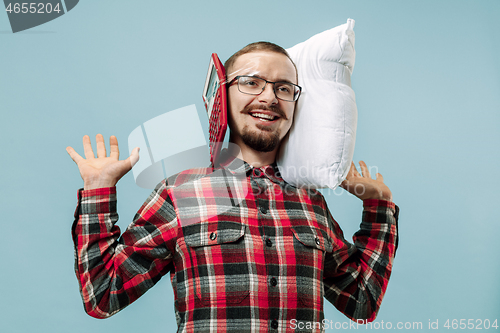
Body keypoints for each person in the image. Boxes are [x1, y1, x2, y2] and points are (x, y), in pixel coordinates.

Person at [67, 42, 398, 333]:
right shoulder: (181, 193)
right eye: (251, 82)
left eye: (284, 88)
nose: (269, 97)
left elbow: (361, 303)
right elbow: (103, 296)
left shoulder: (310, 201)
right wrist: (99, 189)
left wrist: (378, 206)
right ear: (223, 94)